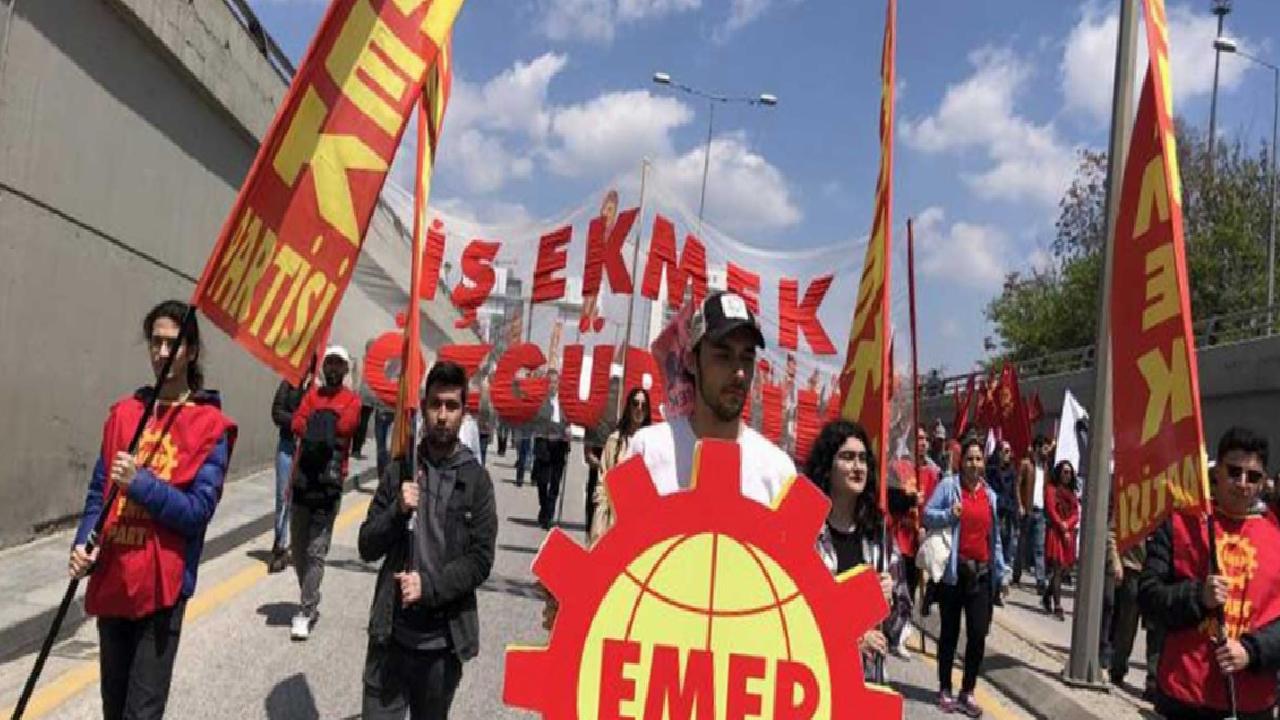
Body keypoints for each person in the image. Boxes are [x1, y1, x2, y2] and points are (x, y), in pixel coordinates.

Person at [546, 291, 795, 629]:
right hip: (655, 640)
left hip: (742, 647)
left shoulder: (777, 471)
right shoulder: (649, 451)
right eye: (723, 355)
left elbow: (791, 597)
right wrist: (575, 603)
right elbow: (618, 562)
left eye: (746, 357)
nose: (738, 372)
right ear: (691, 361)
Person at [68, 300, 236, 720]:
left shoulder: (210, 427)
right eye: (155, 342)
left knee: (141, 713)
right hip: (115, 577)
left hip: (162, 588)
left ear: (191, 351)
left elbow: (197, 513)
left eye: (172, 344)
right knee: (113, 708)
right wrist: (83, 544)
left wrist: (141, 483)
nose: (161, 353)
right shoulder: (125, 415)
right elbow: (98, 494)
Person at [358, 361, 498, 719]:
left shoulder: (476, 481)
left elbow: (481, 560)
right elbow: (366, 546)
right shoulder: (400, 470)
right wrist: (397, 510)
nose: (442, 415)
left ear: (463, 413)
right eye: (435, 404)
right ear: (423, 407)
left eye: (451, 406)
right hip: (390, 639)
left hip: (441, 648)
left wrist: (429, 586)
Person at [1139, 426, 1280, 720]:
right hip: (1185, 695)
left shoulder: (1276, 536)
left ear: (1263, 482)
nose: (1242, 483)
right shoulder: (1180, 524)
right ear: (1217, 472)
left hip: (1251, 703)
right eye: (1234, 472)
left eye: (1253, 476)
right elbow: (1148, 598)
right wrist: (1197, 596)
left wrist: (1251, 651)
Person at [809, 420, 907, 677]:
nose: (857, 466)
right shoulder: (809, 533)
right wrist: (853, 640)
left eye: (863, 459)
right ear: (827, 466)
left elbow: (899, 628)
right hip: (816, 678)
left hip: (866, 681)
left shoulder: (879, 535)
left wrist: (889, 601)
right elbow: (798, 613)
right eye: (848, 457)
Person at [923, 435, 1007, 717]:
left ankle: (967, 691)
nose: (973, 464)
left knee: (978, 634)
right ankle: (945, 688)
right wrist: (949, 514)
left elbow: (994, 539)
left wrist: (1001, 573)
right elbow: (927, 515)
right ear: (962, 462)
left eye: (978, 459)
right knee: (949, 633)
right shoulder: (949, 486)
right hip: (954, 574)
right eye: (969, 459)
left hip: (981, 575)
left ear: (984, 463)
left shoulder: (990, 496)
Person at [288, 345, 361, 640]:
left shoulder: (352, 400)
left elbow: (347, 425)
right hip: (303, 480)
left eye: (338, 364)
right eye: (329, 362)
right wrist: (325, 423)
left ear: (345, 369)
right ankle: (311, 595)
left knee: (316, 551)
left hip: (329, 484)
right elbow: (297, 423)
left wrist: (316, 421)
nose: (332, 368)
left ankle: (306, 609)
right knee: (298, 549)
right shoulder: (311, 395)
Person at [589, 387, 653, 546]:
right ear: (629, 407)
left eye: (643, 405)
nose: (639, 409)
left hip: (641, 518)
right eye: (635, 404)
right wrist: (600, 516)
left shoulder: (653, 443)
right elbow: (603, 478)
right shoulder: (615, 441)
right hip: (614, 516)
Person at [269, 377, 307, 573]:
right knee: (283, 496)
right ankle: (280, 547)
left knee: (300, 500)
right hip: (287, 445)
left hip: (307, 450)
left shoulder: (319, 388)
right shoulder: (289, 383)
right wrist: (295, 422)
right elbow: (276, 412)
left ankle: (298, 544)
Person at [531, 371, 571, 529]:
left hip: (559, 445)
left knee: (555, 482)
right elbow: (535, 419)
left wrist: (568, 430)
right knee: (542, 482)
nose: (552, 385)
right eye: (550, 382)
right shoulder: (540, 401)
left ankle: (549, 515)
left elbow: (569, 419)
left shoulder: (565, 402)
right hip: (544, 444)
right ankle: (544, 507)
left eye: (555, 382)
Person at [1042, 460, 1080, 620]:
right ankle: (1058, 605)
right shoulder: (1051, 489)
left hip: (1068, 534)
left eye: (1069, 472)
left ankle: (1047, 594)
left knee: (1066, 568)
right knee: (1057, 568)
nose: (1067, 475)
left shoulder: (1072, 493)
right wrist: (1062, 526)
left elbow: (1076, 513)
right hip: (1056, 533)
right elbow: (1051, 510)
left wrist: (1068, 525)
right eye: (1065, 472)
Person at [1016, 435, 1051, 592]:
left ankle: (1040, 581)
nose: (1047, 451)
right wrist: (1020, 505)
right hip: (1028, 510)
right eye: (1045, 448)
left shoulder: (1046, 467)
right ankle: (1016, 574)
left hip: (1041, 512)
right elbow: (1017, 486)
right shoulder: (1026, 464)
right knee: (1021, 544)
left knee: (1039, 547)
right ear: (1037, 448)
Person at [988, 441, 1020, 584]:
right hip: (994, 513)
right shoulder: (990, 470)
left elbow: (1013, 493)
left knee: (1007, 546)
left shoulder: (1011, 472)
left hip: (1007, 514)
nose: (1009, 455)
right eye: (1006, 451)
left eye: (1009, 451)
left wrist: (1015, 511)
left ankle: (1002, 579)